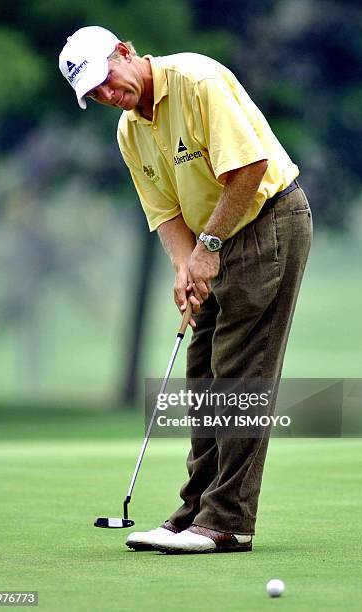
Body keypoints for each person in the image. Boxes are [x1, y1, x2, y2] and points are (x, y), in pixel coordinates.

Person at [59, 26, 312, 554]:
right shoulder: (130, 131)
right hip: (214, 242)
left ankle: (227, 521)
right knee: (203, 375)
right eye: (95, 94)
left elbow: (249, 168)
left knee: (240, 372)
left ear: (125, 52)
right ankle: (194, 511)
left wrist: (208, 247)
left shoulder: (197, 79)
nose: (108, 95)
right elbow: (166, 211)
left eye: (107, 79)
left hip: (268, 221)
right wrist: (184, 267)